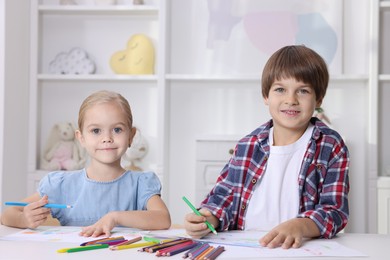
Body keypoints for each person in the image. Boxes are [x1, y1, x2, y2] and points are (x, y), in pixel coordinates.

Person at [184, 45, 350, 249]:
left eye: (303, 91)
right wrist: (209, 218)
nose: (291, 100)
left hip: (302, 249)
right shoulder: (248, 145)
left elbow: (334, 211)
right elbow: (224, 197)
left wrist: (301, 225)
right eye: (280, 89)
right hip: (247, 249)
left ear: (318, 99)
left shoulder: (330, 145)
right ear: (266, 95)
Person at [1, 90, 171, 237]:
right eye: (96, 131)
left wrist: (115, 217)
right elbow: (8, 214)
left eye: (117, 129)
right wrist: (24, 219)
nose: (107, 138)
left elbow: (163, 219)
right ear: (81, 138)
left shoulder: (141, 184)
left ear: (131, 137)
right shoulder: (61, 185)